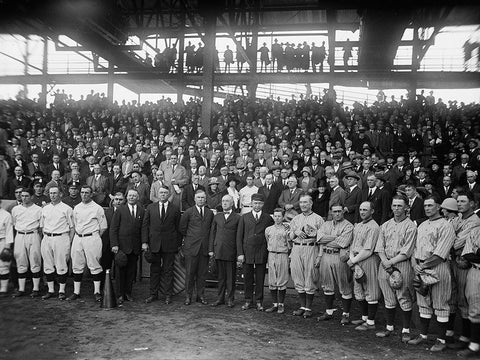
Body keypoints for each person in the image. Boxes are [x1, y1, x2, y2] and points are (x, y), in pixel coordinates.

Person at [409, 195, 455, 352]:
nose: (427, 208)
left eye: (431, 205)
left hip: (438, 268)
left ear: (439, 207)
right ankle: (423, 335)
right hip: (421, 267)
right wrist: (415, 264)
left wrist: (422, 266)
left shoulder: (446, 225)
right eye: (426, 206)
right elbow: (414, 248)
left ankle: (441, 340)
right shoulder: (422, 225)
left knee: (440, 303)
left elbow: (441, 252)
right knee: (423, 303)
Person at [375, 195, 417, 343]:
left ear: (406, 207)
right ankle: (389, 327)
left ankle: (406, 329)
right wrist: (385, 261)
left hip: (401, 264)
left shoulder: (410, 225)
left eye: (400, 206)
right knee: (388, 296)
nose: (397, 209)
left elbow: (407, 250)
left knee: (403, 296)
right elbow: (380, 246)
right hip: (385, 263)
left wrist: (390, 262)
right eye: (394, 205)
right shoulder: (385, 225)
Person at [447, 191, 480, 349]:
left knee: (464, 298)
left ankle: (466, 337)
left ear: (472, 204)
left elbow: (456, 243)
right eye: (457, 201)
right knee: (452, 295)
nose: (458, 204)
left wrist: (449, 240)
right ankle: (450, 333)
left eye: (462, 201)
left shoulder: (475, 221)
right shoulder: (457, 218)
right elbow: (446, 236)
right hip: (452, 259)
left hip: (464, 262)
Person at [143, 185, 182, 304]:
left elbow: (178, 228)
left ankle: (168, 295)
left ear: (169, 194)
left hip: (169, 245)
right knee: (154, 270)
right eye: (161, 193)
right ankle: (153, 294)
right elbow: (145, 225)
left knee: (168, 271)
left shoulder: (175, 209)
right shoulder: (150, 207)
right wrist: (144, 242)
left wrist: (178, 244)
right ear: (158, 194)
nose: (163, 195)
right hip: (154, 244)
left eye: (165, 193)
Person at [316, 203, 354, 324]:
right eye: (335, 211)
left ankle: (346, 314)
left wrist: (328, 239)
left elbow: (342, 243)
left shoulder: (348, 226)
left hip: (340, 256)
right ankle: (329, 312)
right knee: (327, 285)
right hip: (326, 256)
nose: (337, 214)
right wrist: (335, 237)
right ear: (331, 212)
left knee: (344, 286)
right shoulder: (325, 224)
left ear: (343, 212)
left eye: (339, 211)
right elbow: (319, 239)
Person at [68, 185, 108, 302]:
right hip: (78, 237)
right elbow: (75, 224)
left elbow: (103, 227)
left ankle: (96, 292)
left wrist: (93, 236)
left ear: (91, 194)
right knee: (76, 264)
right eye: (82, 192)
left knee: (94, 264)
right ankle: (76, 292)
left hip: (92, 237)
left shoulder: (97, 208)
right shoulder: (77, 208)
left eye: (87, 193)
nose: (84, 195)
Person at [236, 193, 274, 311]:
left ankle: (259, 301)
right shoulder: (244, 217)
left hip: (261, 251)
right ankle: (248, 300)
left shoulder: (268, 218)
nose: (257, 205)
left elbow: (270, 236)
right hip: (247, 251)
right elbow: (239, 237)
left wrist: (268, 253)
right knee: (247, 277)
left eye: (259, 203)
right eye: (255, 203)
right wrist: (240, 253)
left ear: (263, 204)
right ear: (251, 204)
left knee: (260, 277)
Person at [289, 195, 324, 318]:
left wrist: (320, 256)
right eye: (301, 202)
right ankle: (302, 306)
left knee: (310, 276)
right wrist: (295, 231)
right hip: (297, 247)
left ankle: (308, 308)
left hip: (311, 248)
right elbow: (290, 236)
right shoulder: (296, 218)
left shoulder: (318, 219)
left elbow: (322, 239)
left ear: (311, 204)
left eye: (305, 202)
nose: (303, 205)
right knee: (298, 276)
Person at [349, 201, 381, 331]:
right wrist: (353, 259)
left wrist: (353, 260)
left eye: (365, 210)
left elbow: (368, 249)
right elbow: (352, 244)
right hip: (356, 258)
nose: (362, 212)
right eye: (361, 209)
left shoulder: (374, 227)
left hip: (368, 259)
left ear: (372, 211)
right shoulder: (358, 225)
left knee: (370, 289)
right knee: (359, 289)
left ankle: (371, 322)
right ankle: (364, 317)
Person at [179, 189, 214, 305]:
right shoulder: (188, 212)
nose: (201, 200)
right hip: (191, 248)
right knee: (190, 273)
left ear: (205, 199)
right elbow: (182, 229)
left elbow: (211, 231)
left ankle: (200, 295)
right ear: (194, 199)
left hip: (204, 248)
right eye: (198, 197)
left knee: (202, 274)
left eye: (203, 198)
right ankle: (188, 296)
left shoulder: (209, 213)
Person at [40, 186, 75, 300]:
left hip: (61, 237)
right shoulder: (45, 208)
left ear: (60, 194)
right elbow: (42, 226)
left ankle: (61, 291)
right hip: (47, 237)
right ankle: (50, 290)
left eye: (55, 193)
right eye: (51, 193)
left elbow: (72, 227)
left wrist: (68, 241)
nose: (53, 195)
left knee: (61, 265)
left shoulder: (67, 208)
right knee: (48, 265)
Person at [209, 195, 241, 308]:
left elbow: (239, 237)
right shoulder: (217, 216)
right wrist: (211, 249)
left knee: (230, 277)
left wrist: (238, 253)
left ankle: (230, 299)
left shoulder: (237, 217)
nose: (224, 203)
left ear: (232, 203)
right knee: (221, 277)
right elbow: (212, 233)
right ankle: (220, 298)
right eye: (223, 201)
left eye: (227, 201)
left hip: (231, 251)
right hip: (219, 250)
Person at [11, 188, 43, 298]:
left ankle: (36, 289)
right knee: (20, 261)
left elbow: (41, 225)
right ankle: (21, 289)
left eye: (26, 196)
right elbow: (14, 223)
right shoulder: (15, 209)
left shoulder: (38, 209)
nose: (24, 198)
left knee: (35, 260)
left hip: (33, 235)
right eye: (22, 196)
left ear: (31, 196)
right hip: (20, 235)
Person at [458, 222, 480, 357]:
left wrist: (477, 252)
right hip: (476, 271)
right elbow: (468, 254)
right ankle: (474, 345)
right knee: (474, 307)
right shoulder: (475, 231)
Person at [264, 208, 290, 314]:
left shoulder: (287, 229)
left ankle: (281, 304)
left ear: (283, 217)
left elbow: (289, 244)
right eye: (275, 216)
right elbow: (267, 241)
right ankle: (274, 304)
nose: (277, 218)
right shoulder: (268, 229)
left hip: (282, 255)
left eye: (279, 216)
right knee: (272, 280)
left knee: (282, 280)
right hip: (272, 254)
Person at [0, 201, 14, 297]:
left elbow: (9, 231)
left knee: (3, 265)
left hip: (2, 240)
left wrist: (7, 247)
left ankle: (3, 288)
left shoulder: (6, 215)